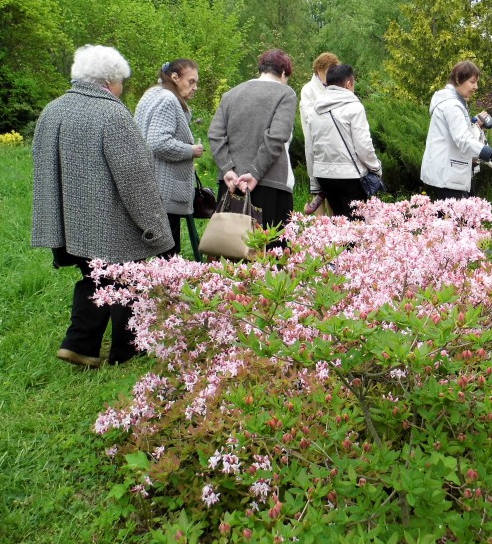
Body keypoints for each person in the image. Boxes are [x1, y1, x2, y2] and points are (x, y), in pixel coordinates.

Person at [31, 44, 173, 368]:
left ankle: (80, 344)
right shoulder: (113, 114)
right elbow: (136, 181)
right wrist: (156, 229)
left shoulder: (52, 110)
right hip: (110, 226)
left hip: (68, 224)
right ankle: (129, 351)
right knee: (126, 280)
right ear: (110, 81)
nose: (122, 88)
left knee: (94, 278)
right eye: (121, 81)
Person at [208, 49, 297, 236]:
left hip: (231, 184)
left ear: (261, 69)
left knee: (229, 251)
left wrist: (228, 170)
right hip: (270, 184)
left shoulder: (231, 94)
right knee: (270, 254)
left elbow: (215, 135)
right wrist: (254, 173)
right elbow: (276, 137)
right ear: (283, 73)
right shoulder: (285, 93)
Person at [134, 59, 204, 257]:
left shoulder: (151, 94)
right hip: (163, 189)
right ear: (175, 77)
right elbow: (158, 143)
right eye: (191, 82)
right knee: (167, 256)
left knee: (148, 255)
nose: (195, 87)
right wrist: (191, 150)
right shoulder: (167, 99)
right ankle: (166, 288)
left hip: (147, 185)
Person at [420, 61, 492, 200]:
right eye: (472, 82)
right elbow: (463, 139)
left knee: (459, 219)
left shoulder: (454, 102)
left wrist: (474, 123)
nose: (476, 87)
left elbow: (455, 133)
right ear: (459, 79)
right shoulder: (452, 105)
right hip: (448, 178)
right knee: (456, 220)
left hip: (448, 175)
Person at [307, 64, 382, 218]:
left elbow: (310, 147)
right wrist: (376, 168)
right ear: (349, 84)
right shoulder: (354, 107)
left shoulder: (315, 109)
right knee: (356, 226)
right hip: (349, 177)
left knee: (339, 226)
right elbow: (363, 146)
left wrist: (314, 181)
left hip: (324, 176)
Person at [300, 52, 339, 214]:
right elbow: (311, 117)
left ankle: (335, 232)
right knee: (318, 191)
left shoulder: (336, 87)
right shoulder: (309, 90)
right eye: (327, 71)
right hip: (316, 145)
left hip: (336, 146)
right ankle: (321, 230)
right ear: (318, 70)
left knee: (333, 193)